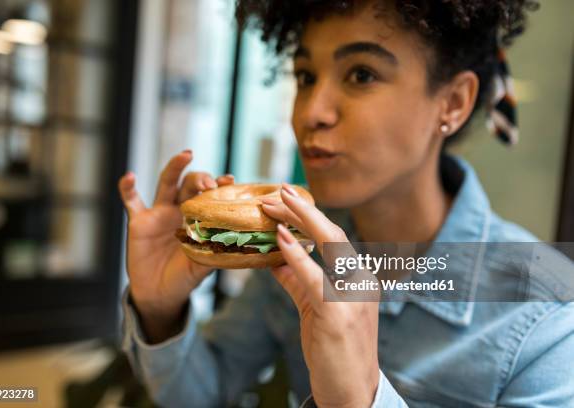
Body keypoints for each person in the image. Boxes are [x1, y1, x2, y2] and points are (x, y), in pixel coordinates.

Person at [117, 0, 574, 406]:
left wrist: (361, 399)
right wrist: (160, 311)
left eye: (361, 74)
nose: (311, 111)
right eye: (304, 76)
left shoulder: (551, 316)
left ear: (452, 103)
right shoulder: (295, 249)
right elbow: (203, 390)